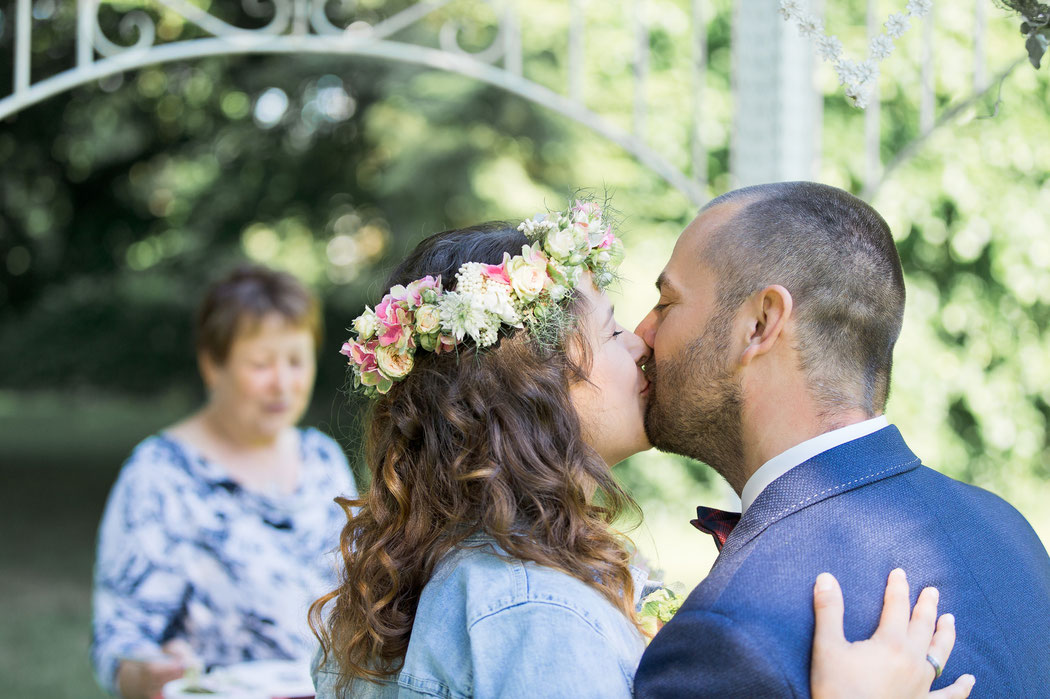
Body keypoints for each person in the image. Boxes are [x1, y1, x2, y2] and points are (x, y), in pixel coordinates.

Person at [310, 207, 974, 698]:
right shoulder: (534, 611)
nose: (642, 343)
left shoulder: (508, 570)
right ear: (530, 380)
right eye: (612, 327)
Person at [631, 182, 1050, 697]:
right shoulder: (1009, 530)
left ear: (760, 324)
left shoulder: (726, 635)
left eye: (666, 302)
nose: (641, 332)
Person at [91, 265, 356, 699]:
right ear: (212, 364)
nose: (282, 384)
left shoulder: (322, 458)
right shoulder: (159, 473)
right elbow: (119, 641)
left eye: (295, 360)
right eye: (260, 364)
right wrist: (155, 673)